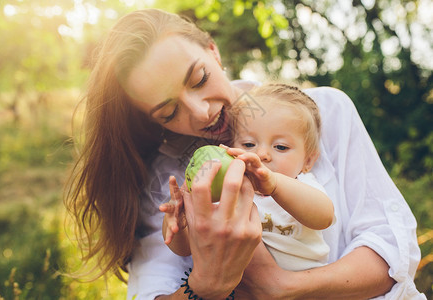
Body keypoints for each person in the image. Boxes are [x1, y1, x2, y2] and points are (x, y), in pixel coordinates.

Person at [63, 8, 425, 300]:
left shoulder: (319, 114)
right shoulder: (167, 177)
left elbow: (392, 256)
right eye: (169, 112)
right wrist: (204, 285)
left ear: (212, 50)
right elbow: (153, 288)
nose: (201, 111)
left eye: (200, 78)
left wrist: (283, 288)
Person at [161, 83, 336, 272]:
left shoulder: (303, 186)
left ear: (308, 161)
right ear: (231, 147)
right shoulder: (225, 193)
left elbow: (324, 217)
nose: (261, 154)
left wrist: (274, 185)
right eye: (249, 144)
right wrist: (179, 221)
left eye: (281, 147)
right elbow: (185, 249)